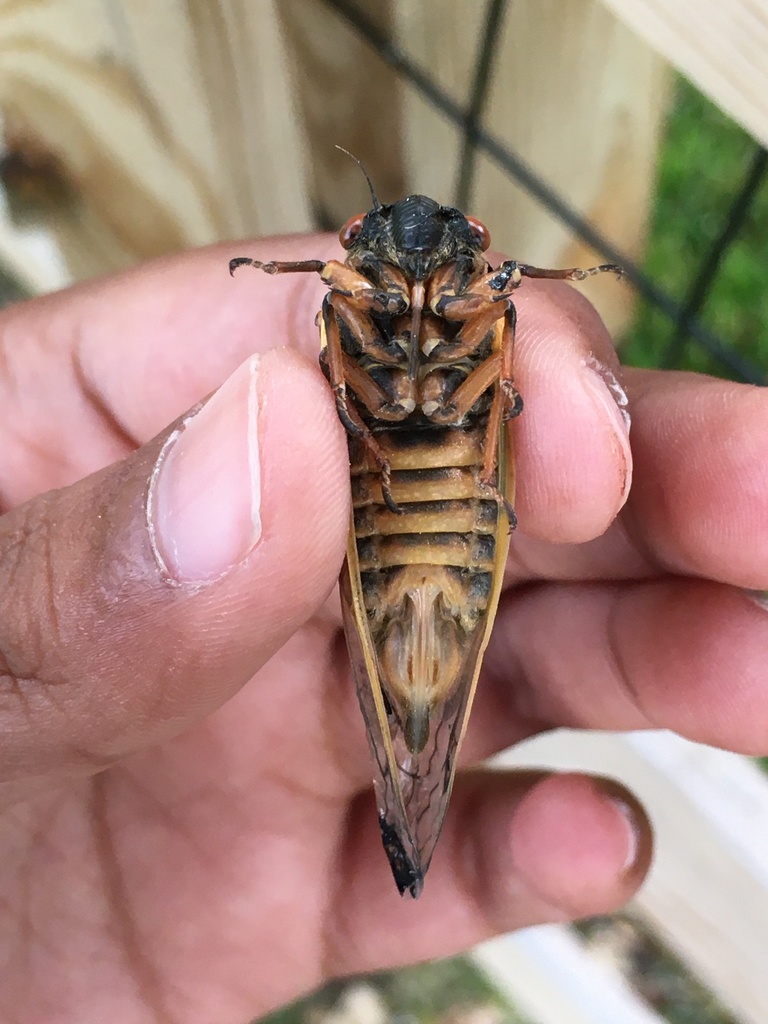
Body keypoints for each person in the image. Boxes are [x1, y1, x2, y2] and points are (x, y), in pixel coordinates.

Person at [0, 234, 764, 1024]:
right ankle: (408, 767)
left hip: (427, 497)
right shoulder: (354, 307)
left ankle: (413, 765)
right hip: (415, 501)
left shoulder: (486, 309)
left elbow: (505, 337)